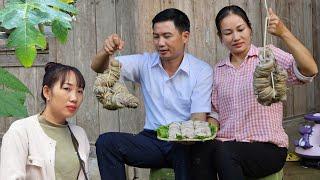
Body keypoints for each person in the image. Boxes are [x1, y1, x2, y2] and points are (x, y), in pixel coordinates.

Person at [191, 5, 318, 180]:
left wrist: (283, 33)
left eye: (240, 29)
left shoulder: (268, 57)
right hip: (227, 144)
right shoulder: (218, 70)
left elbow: (310, 70)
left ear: (250, 29)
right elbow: (215, 114)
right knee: (200, 151)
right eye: (228, 33)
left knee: (224, 152)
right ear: (220, 37)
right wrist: (203, 133)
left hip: (267, 148)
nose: (236, 37)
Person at [91, 8, 213, 180]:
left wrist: (183, 138)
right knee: (106, 143)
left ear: (185, 36)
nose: (160, 43)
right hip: (152, 141)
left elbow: (198, 121)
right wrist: (106, 51)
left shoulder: (201, 70)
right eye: (156, 36)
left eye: (167, 36)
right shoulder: (144, 63)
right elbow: (99, 67)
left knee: (187, 150)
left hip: (183, 142)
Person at [0, 62, 90, 180]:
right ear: (47, 92)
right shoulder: (20, 131)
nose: (74, 98)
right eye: (67, 88)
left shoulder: (80, 134)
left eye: (79, 91)